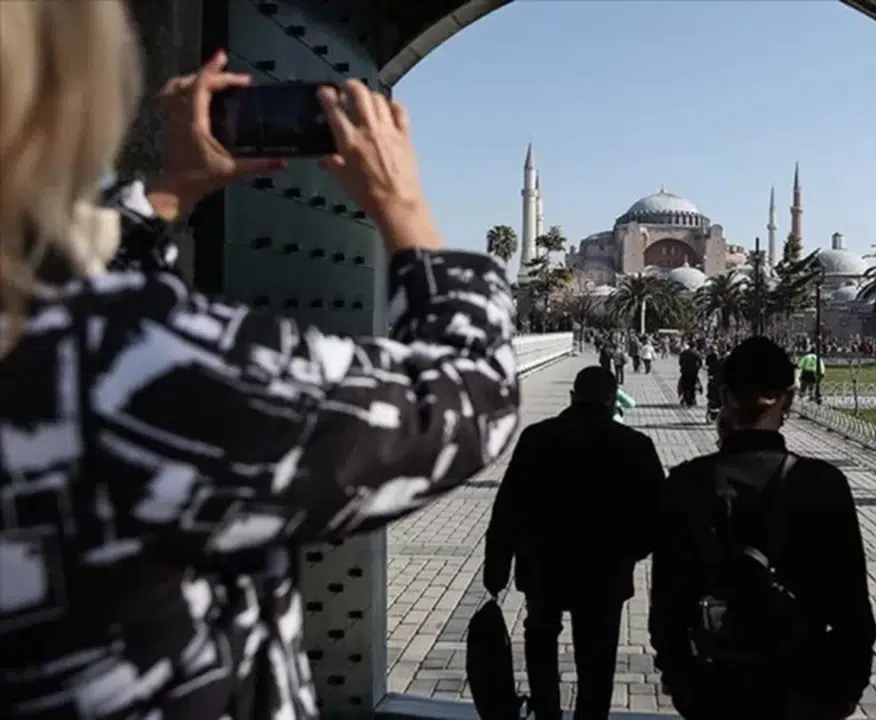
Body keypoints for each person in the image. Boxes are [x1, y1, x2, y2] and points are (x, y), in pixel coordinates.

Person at [0, 4, 520, 719]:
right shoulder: (128, 367)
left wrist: (165, 194)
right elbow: (467, 400)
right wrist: (403, 209)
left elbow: (54, 282)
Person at [650, 337, 876, 719]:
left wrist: (679, 677)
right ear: (787, 400)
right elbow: (850, 597)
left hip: (714, 681)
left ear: (725, 394)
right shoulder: (822, 482)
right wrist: (849, 684)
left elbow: (669, 597)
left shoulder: (688, 482)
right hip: (803, 680)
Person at [484, 366, 666, 720]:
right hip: (605, 573)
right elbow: (657, 516)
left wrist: (496, 572)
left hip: (542, 567)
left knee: (540, 636)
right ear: (613, 400)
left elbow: (507, 507)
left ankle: (547, 712)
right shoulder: (635, 445)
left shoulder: (536, 437)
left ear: (572, 396)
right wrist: (630, 552)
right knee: (598, 654)